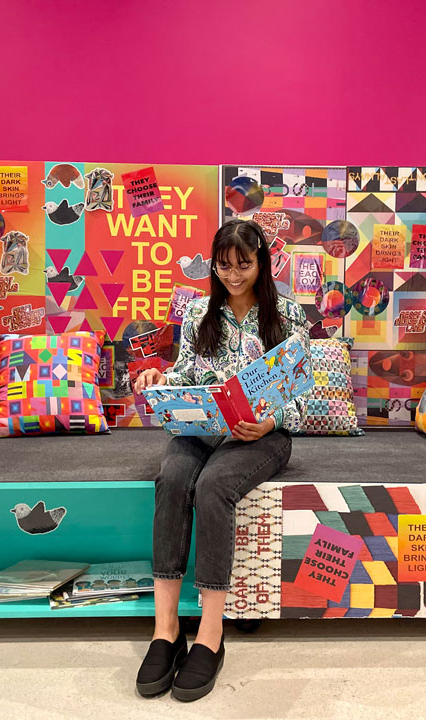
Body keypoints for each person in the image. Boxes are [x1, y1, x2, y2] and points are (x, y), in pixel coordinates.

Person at [132, 219, 310, 702]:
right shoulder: (196, 313)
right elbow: (183, 374)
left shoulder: (288, 316)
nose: (234, 275)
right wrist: (157, 382)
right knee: (171, 476)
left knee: (212, 487)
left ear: (261, 263)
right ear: (213, 265)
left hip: (263, 436)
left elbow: (300, 397)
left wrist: (268, 423)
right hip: (203, 429)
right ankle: (165, 629)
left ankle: (211, 632)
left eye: (244, 265)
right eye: (224, 265)